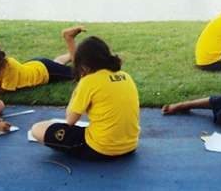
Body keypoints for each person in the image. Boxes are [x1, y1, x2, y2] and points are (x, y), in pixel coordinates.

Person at [30, 29, 140, 160]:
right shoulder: (126, 76)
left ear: (84, 63)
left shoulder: (89, 81)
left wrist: (78, 88)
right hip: (130, 145)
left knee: (37, 129)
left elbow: (70, 120)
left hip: (101, 149)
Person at [0, 32, 75, 93]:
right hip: (35, 64)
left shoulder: (9, 67)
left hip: (44, 72)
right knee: (57, 63)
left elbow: (4, 90)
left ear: (1, 62)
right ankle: (71, 54)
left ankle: (70, 39)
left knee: (78, 73)